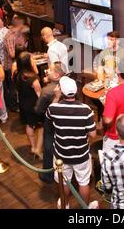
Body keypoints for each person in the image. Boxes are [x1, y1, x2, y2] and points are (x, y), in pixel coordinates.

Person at [45, 76, 96, 207]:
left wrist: (56, 97)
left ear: (61, 91)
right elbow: (93, 134)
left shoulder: (53, 108)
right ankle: (85, 207)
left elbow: (48, 120)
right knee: (83, 182)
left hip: (61, 155)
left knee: (64, 181)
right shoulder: (86, 109)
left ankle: (65, 204)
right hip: (81, 154)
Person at [35, 62, 65, 184]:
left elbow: (38, 110)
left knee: (48, 149)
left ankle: (47, 175)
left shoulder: (46, 91)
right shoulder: (67, 85)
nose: (47, 71)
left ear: (57, 75)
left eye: (50, 70)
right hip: (65, 123)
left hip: (51, 124)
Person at [14, 51, 42, 157]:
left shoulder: (17, 74)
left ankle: (33, 146)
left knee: (29, 125)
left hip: (23, 104)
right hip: (34, 106)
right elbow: (39, 94)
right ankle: (38, 149)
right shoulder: (33, 79)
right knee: (41, 126)